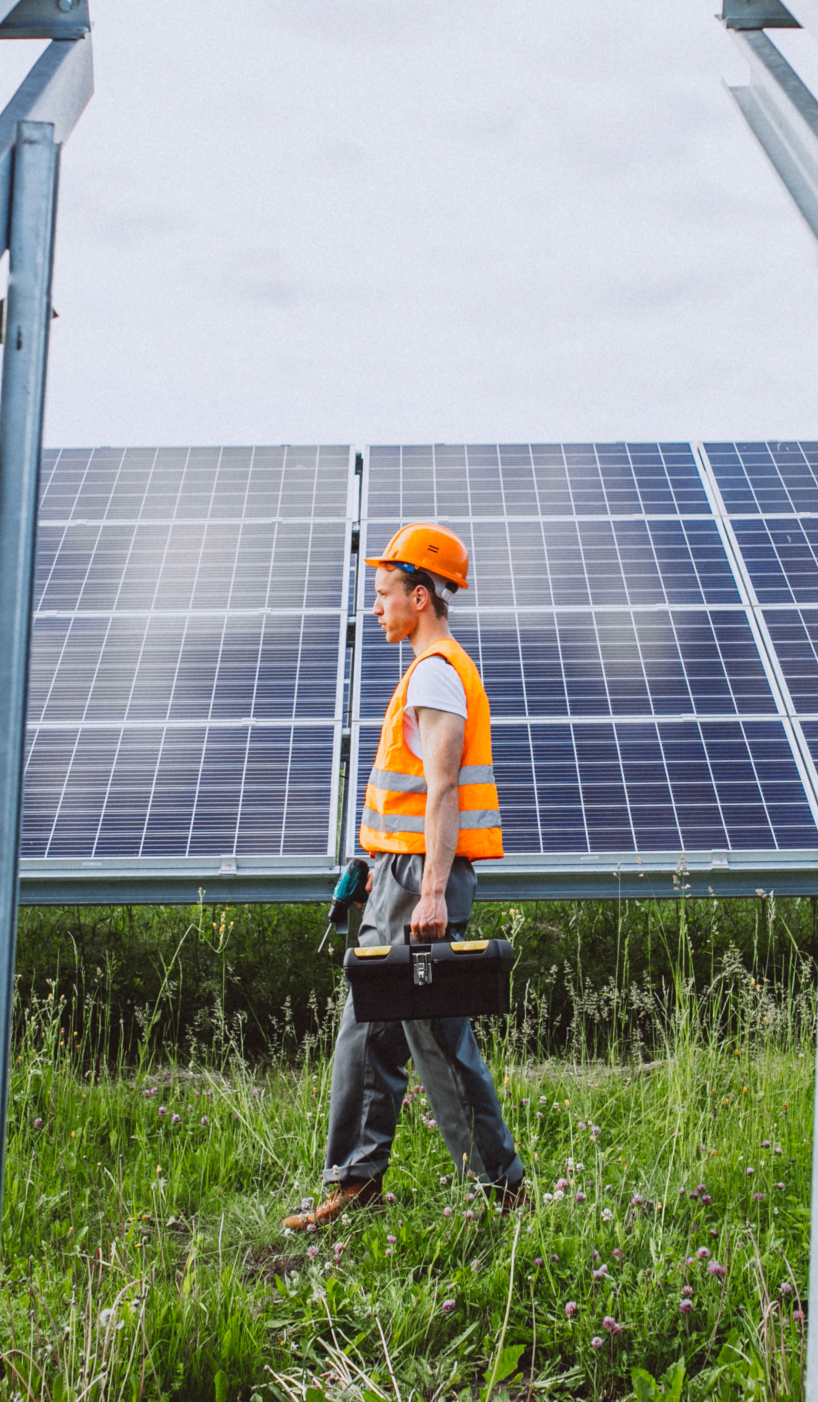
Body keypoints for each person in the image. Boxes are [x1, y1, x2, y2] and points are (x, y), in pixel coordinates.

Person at [283, 523, 524, 1231]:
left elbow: (444, 789)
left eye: (386, 594)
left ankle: (499, 1190)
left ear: (421, 597)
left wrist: (429, 892)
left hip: (423, 874)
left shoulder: (438, 672)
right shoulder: (426, 670)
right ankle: (356, 1183)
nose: (376, 607)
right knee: (370, 1024)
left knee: (432, 1032)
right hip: (398, 869)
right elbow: (409, 794)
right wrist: (370, 862)